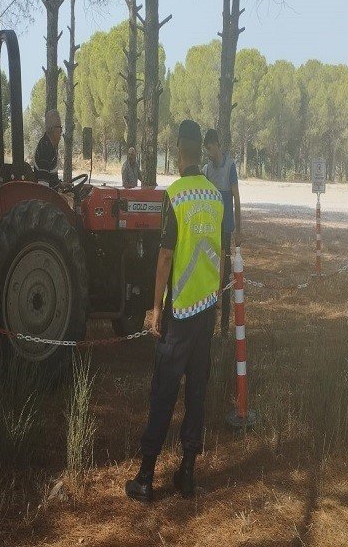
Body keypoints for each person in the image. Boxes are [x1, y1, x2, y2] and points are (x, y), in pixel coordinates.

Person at [125, 120, 223, 503]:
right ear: (200, 151)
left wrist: (155, 307)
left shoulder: (176, 195)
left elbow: (165, 255)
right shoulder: (215, 197)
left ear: (180, 153)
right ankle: (187, 475)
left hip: (180, 312)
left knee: (164, 389)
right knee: (196, 391)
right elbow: (219, 249)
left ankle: (147, 477)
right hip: (207, 310)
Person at [202, 129, 242, 336]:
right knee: (210, 275)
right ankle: (208, 324)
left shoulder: (230, 166)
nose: (208, 153)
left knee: (225, 278)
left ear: (216, 144)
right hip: (210, 231)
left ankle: (225, 328)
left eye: (210, 148)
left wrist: (239, 229)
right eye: (206, 149)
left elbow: (236, 199)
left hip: (225, 230)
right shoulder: (207, 170)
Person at [34, 109, 62, 188]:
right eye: (60, 128)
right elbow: (43, 187)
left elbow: (50, 179)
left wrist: (60, 184)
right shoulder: (45, 150)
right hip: (49, 197)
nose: (61, 132)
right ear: (52, 129)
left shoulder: (49, 145)